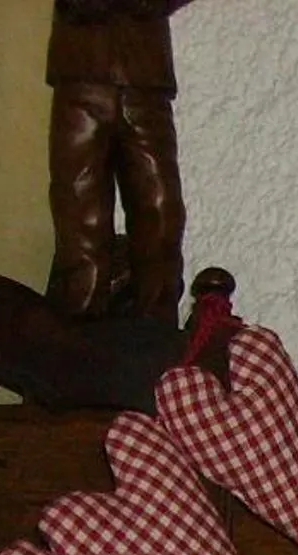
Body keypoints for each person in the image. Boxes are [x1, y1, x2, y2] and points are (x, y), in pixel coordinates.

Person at [47, 0, 196, 318]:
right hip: (80, 72)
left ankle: (156, 324)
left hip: (146, 79)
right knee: (78, 205)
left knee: (160, 207)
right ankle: (78, 319)